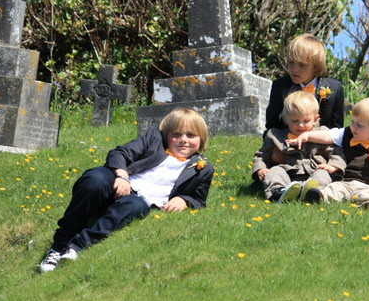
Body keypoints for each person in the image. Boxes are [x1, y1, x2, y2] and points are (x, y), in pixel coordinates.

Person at [39, 108, 214, 273]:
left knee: (136, 206)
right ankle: (59, 245)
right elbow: (119, 153)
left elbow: (199, 199)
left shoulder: (202, 168)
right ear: (167, 136)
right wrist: (122, 176)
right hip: (118, 182)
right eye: (176, 134)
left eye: (190, 135)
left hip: (137, 199)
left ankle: (76, 246)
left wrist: (184, 200)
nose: (183, 139)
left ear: (201, 139)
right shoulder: (154, 140)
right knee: (95, 180)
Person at [289, 97, 369, 205]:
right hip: (343, 181)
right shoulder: (346, 134)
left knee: (368, 195)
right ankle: (317, 196)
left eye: (360, 125)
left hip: (368, 185)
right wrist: (308, 135)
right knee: (332, 190)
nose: (354, 127)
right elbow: (328, 136)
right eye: (353, 122)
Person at [253, 91, 346, 202]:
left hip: (314, 172)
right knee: (274, 171)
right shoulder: (275, 135)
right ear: (286, 119)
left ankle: (313, 193)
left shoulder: (323, 134)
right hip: (288, 175)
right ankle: (279, 192)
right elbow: (262, 155)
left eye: (306, 121)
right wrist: (261, 168)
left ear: (315, 119)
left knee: (323, 173)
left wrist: (333, 165)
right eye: (295, 120)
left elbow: (336, 152)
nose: (300, 125)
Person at [265, 33, 344, 131]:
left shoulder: (334, 88)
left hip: (321, 142)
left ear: (316, 66)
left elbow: (336, 128)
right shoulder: (280, 86)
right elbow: (272, 124)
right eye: (291, 62)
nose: (294, 69)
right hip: (288, 141)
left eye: (302, 65)